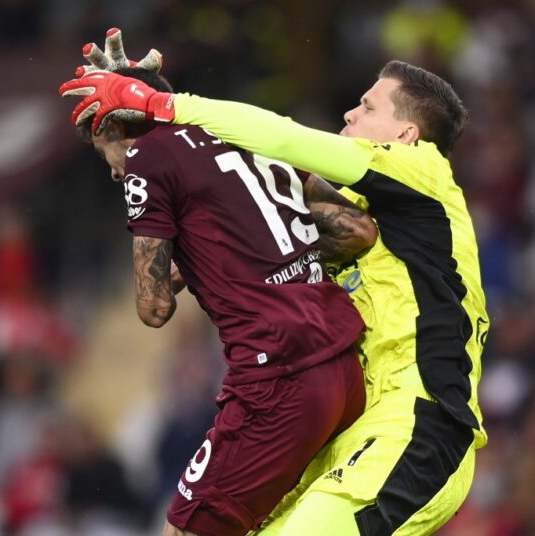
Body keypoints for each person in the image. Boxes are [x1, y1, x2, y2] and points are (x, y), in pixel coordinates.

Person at [59, 56, 489, 535]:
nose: (350, 114)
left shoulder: (421, 171)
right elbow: (235, 185)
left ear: (406, 135)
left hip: (418, 428)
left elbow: (283, 138)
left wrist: (159, 102)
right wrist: (138, 87)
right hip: (353, 424)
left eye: (367, 107)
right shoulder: (375, 213)